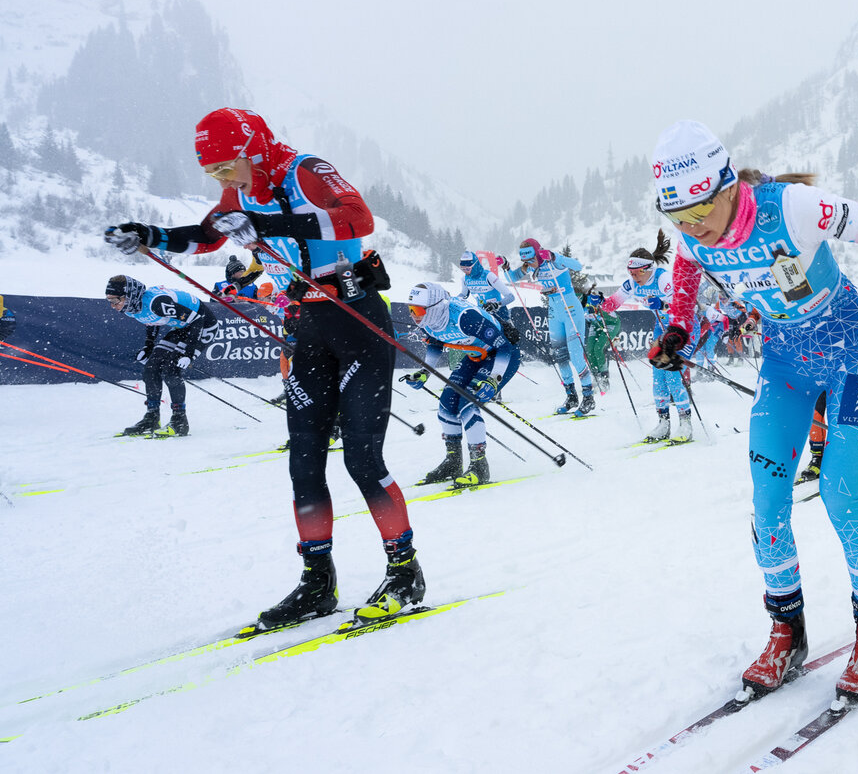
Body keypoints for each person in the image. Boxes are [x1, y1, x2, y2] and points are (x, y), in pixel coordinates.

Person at [103, 107, 424, 630]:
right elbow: (207, 236)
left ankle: (405, 571)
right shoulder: (238, 191)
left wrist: (266, 224)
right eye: (211, 172)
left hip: (357, 319)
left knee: (362, 460)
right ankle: (318, 581)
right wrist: (149, 235)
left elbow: (359, 218)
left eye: (226, 166)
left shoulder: (305, 170)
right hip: (311, 326)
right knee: (303, 464)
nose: (222, 180)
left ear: (253, 147)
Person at [644, 120, 858, 704]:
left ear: (725, 187)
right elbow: (686, 268)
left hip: (848, 354)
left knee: (841, 495)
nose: (692, 232)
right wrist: (678, 328)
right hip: (785, 361)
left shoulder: (793, 206)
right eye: (678, 222)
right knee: (767, 507)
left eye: (698, 215)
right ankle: (787, 630)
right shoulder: (693, 235)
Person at [404, 282, 520, 486]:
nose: (414, 315)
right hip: (476, 356)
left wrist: (494, 380)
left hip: (501, 356)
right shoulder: (430, 321)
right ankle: (453, 462)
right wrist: (425, 373)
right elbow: (435, 344)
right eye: (410, 309)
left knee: (467, 402)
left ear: (435, 306)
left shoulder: (465, 317)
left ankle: (480, 466)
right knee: (446, 404)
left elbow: (504, 347)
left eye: (418, 310)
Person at [600, 231, 691, 441]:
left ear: (648, 269)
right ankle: (663, 423)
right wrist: (596, 302)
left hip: (682, 326)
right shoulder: (632, 284)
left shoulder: (663, 278)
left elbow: (683, 306)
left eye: (637, 273)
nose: (633, 277)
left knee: (671, 373)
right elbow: (613, 303)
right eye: (630, 272)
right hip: (661, 328)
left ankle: (685, 423)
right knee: (658, 376)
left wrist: (663, 304)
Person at [105, 275, 216, 437]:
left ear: (129, 295)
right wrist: (148, 346)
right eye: (110, 301)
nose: (113, 306)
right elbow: (151, 321)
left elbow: (196, 320)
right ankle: (152, 417)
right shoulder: (130, 307)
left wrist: (189, 353)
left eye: (115, 300)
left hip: (203, 325)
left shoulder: (157, 303)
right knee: (150, 369)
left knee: (171, 369)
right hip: (182, 327)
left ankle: (180, 421)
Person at [504, 238, 594, 416]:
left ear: (538, 253)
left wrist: (554, 256)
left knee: (576, 356)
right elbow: (510, 278)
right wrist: (505, 266)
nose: (530, 264)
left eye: (532, 259)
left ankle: (589, 398)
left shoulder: (554, 261)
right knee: (560, 357)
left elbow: (577, 265)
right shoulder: (530, 266)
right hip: (554, 310)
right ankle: (571, 397)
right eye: (527, 261)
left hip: (571, 309)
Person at [582, 290, 620, 393]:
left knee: (598, 348)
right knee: (589, 350)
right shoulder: (584, 299)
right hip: (595, 323)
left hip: (611, 324)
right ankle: (595, 375)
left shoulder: (604, 303)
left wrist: (598, 310)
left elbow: (612, 315)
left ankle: (604, 377)